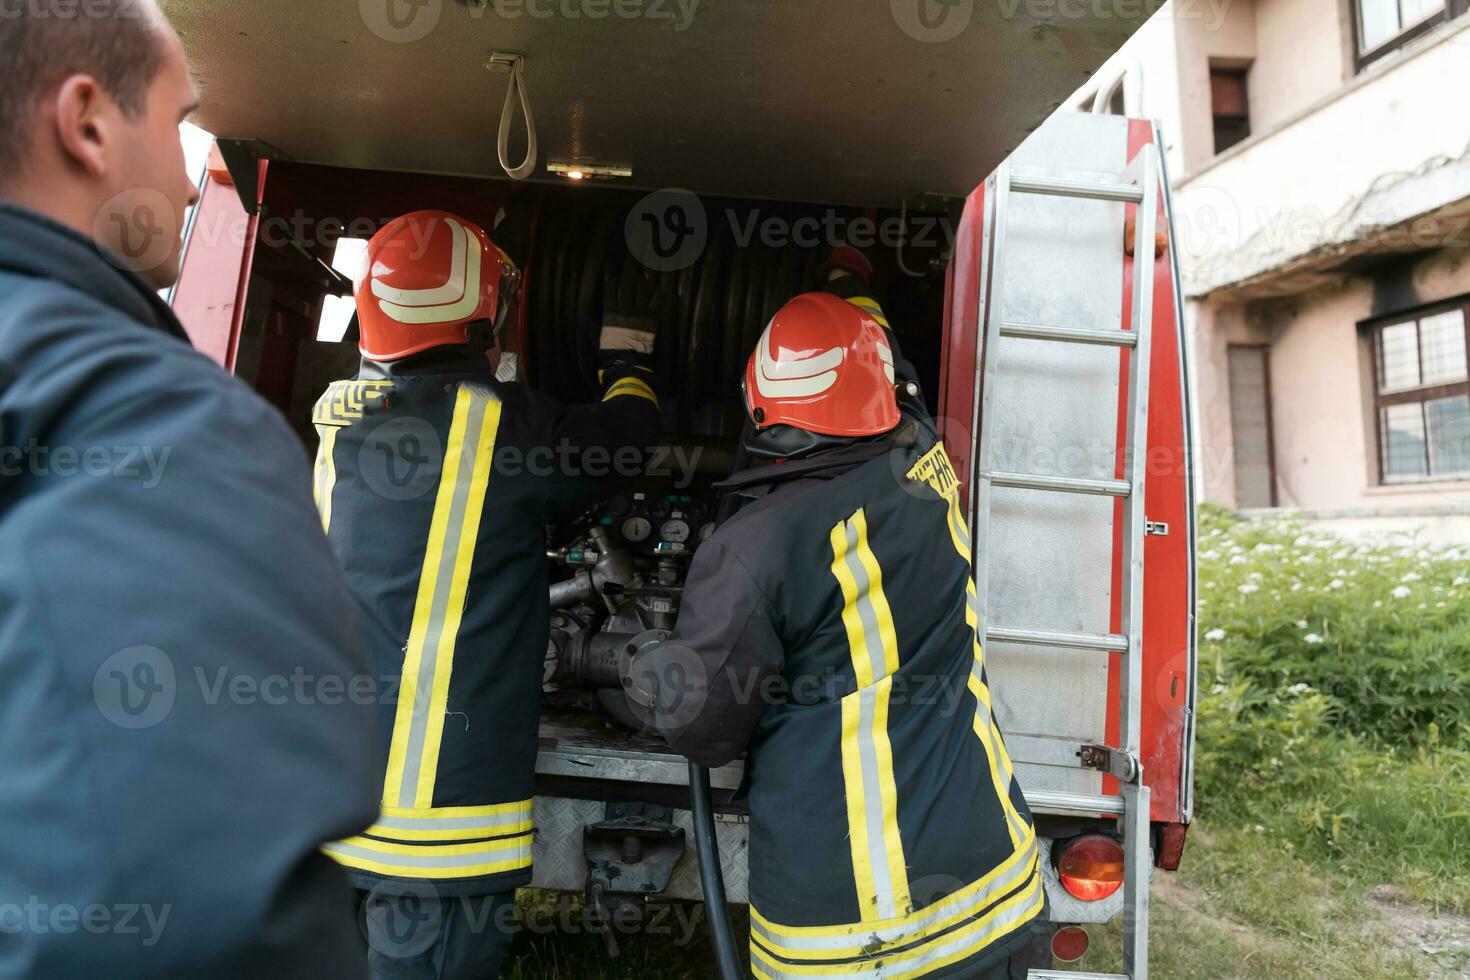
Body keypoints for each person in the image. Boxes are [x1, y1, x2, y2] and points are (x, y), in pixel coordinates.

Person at [0, 3, 380, 978]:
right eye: (180, 124)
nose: (189, 178)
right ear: (87, 124)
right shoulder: (154, 422)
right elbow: (191, 919)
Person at [627, 257, 1046, 979]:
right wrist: (854, 290)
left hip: (850, 936)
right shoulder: (923, 457)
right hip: (990, 893)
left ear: (757, 400)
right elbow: (900, 381)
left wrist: (652, 662)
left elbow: (703, 729)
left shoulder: (753, 550)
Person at [312, 209, 662, 980]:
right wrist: (629, 363)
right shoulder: (505, 430)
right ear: (479, 318)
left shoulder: (339, 426)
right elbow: (627, 440)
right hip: (436, 834)